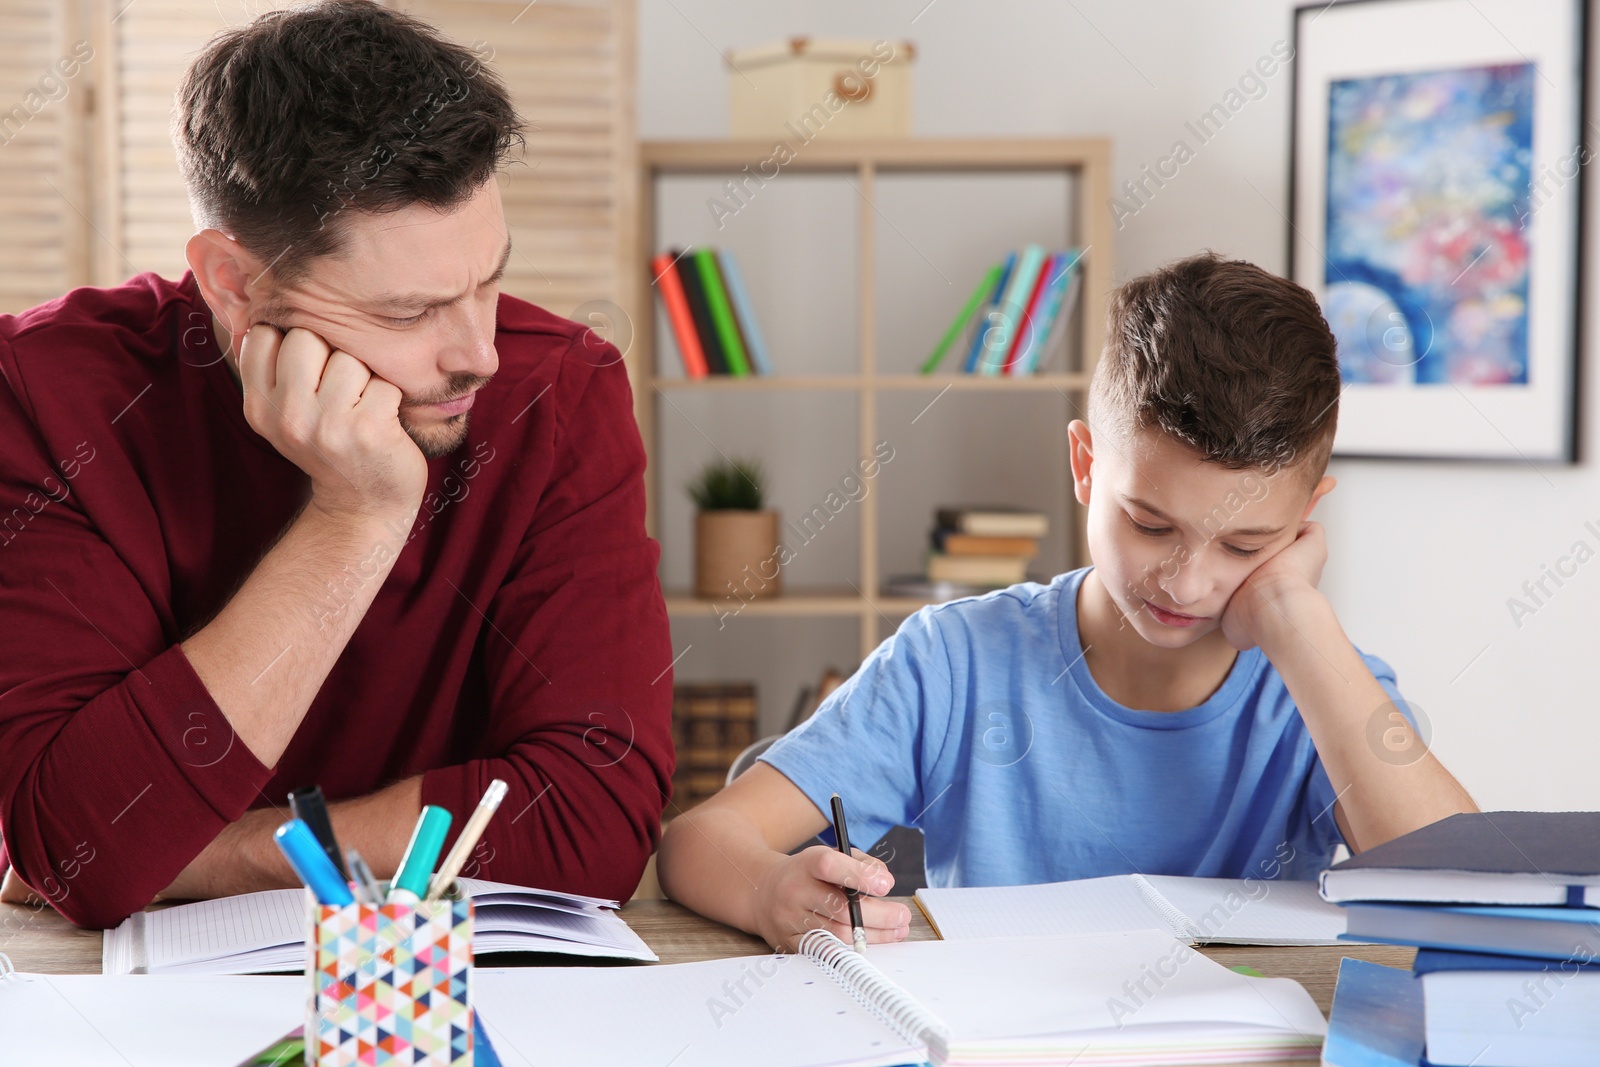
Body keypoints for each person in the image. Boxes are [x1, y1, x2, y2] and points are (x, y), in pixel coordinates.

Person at [0, 0, 672, 929]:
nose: (477, 351)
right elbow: (83, 849)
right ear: (236, 283)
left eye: (489, 279)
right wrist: (352, 519)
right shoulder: (45, 394)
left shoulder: (562, 391)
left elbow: (593, 824)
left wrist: (210, 851)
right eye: (408, 312)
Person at [657, 252, 1478, 951]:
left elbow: (1459, 892)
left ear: (1306, 520)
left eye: (1244, 545)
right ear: (1085, 466)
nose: (1187, 582)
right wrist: (770, 891)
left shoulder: (1321, 686)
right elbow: (699, 841)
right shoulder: (954, 661)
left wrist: (1299, 624)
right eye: (1151, 524)